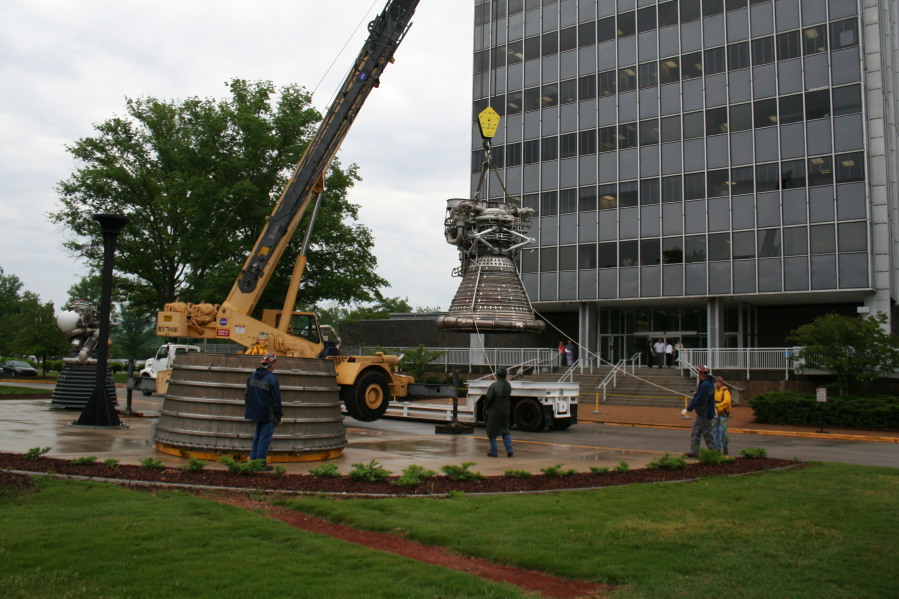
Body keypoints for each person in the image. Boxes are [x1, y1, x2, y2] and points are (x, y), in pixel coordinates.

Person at [244, 353, 283, 468]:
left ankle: (253, 460)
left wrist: (250, 408)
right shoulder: (272, 379)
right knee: (264, 438)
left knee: (257, 436)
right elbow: (276, 399)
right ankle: (260, 463)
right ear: (272, 365)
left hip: (254, 411)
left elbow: (246, 393)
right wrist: (279, 415)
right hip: (267, 413)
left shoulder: (252, 376)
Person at [681, 365, 716, 457]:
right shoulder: (706, 383)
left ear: (701, 373)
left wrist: (688, 408)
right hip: (701, 412)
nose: (699, 374)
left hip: (705, 412)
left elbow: (699, 398)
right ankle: (695, 452)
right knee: (695, 432)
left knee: (707, 434)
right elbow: (699, 396)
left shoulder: (706, 384)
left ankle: (714, 453)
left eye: (700, 373)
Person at [484, 367, 513, 457]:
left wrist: (485, 407)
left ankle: (494, 451)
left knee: (491, 431)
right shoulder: (508, 385)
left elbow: (488, 398)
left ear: (497, 374)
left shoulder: (494, 385)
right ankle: (509, 449)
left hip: (494, 412)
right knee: (505, 430)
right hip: (505, 411)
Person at [713, 376, 732, 455]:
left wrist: (718, 406)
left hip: (723, 414)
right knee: (715, 431)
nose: (717, 384)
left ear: (722, 383)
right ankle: (717, 448)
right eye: (716, 382)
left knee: (722, 430)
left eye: (719, 383)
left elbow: (727, 402)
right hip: (715, 414)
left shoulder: (725, 391)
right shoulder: (713, 391)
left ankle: (725, 446)